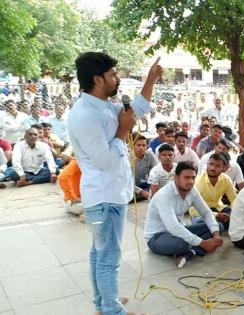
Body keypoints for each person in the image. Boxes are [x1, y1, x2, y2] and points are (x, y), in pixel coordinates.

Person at [67, 52, 162, 315]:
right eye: (112, 74)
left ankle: (103, 302)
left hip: (111, 194)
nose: (117, 78)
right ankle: (111, 310)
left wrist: (151, 79)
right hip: (104, 197)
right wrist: (122, 132)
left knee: (100, 254)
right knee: (108, 257)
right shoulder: (86, 115)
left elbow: (136, 111)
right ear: (98, 79)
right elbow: (105, 160)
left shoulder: (104, 105)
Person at [144, 161, 223, 268]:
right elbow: (173, 227)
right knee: (181, 244)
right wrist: (203, 243)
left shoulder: (192, 191)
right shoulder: (164, 195)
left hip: (180, 230)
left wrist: (216, 235)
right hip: (157, 237)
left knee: (218, 227)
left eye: (193, 178)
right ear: (176, 177)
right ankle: (195, 248)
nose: (190, 181)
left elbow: (206, 213)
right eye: (186, 177)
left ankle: (189, 253)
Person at [190, 153, 237, 230]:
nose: (212, 168)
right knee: (201, 222)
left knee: (239, 218)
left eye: (217, 166)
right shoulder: (198, 182)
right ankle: (218, 224)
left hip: (219, 208)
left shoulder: (226, 179)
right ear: (207, 164)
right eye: (211, 164)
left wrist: (235, 213)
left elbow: (234, 199)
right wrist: (216, 215)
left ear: (224, 168)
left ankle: (218, 224)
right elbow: (193, 209)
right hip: (201, 212)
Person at [132, 133, 157, 201]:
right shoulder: (127, 158)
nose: (141, 148)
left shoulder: (150, 155)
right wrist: (141, 192)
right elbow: (126, 182)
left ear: (147, 146)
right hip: (131, 186)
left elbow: (156, 172)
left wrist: (153, 187)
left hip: (145, 184)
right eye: (138, 145)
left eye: (144, 145)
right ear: (133, 146)